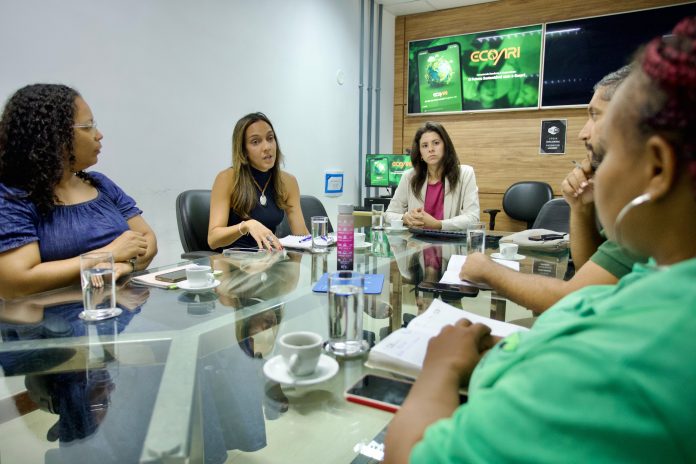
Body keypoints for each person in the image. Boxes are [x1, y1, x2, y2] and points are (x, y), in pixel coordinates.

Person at [384, 17, 696, 463]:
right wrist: (517, 348)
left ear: (658, 169)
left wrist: (440, 366)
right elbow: (587, 296)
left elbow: (410, 455)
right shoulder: (658, 274)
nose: (586, 139)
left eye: (602, 154)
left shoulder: (617, 366)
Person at [459, 65, 647, 313]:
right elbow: (589, 271)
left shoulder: (652, 213)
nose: (583, 133)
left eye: (595, 115)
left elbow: (577, 296)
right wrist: (580, 208)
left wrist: (487, 269)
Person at [0, 84, 157, 299]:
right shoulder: (12, 197)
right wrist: (109, 255)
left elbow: (147, 239)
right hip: (54, 326)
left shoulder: (100, 184)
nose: (99, 135)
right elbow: (16, 281)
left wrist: (126, 266)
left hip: (118, 314)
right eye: (88, 126)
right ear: (54, 135)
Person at [208, 112, 309, 251]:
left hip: (269, 263)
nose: (267, 147)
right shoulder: (227, 179)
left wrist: (320, 245)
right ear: (243, 150)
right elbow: (213, 240)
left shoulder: (288, 182)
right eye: (255, 141)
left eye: (270, 138)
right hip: (233, 265)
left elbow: (301, 236)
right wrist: (246, 226)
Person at [385, 121, 479, 230]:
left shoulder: (465, 174)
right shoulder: (409, 177)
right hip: (416, 244)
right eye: (425, 146)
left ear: (446, 146)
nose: (430, 149)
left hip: (451, 244)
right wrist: (405, 218)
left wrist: (438, 224)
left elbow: (473, 218)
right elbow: (389, 214)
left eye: (436, 143)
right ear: (420, 153)